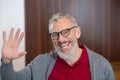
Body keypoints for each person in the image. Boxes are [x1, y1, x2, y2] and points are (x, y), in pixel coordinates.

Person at [1, 13, 114, 80]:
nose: (60, 39)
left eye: (65, 32)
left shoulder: (102, 65)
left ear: (77, 32)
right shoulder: (40, 62)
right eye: (55, 34)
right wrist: (6, 61)